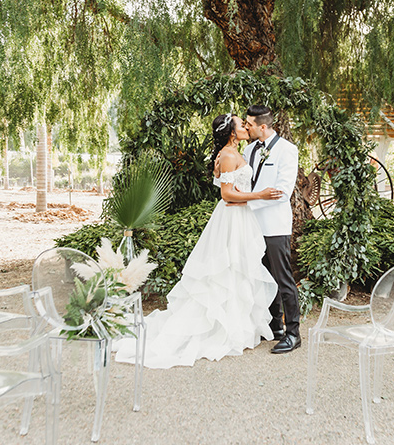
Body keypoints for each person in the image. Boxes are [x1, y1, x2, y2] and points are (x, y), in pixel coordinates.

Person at [114, 113, 281, 369]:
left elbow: (230, 185)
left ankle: (237, 326)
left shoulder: (237, 153)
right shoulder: (227, 155)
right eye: (241, 124)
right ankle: (220, 329)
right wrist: (262, 195)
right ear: (231, 132)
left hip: (242, 218)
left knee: (239, 271)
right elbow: (226, 195)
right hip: (231, 219)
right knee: (226, 271)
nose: (246, 128)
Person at [243, 104, 302, 354]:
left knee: (283, 279)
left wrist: (247, 200)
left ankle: (294, 334)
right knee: (263, 277)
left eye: (250, 124)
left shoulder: (288, 151)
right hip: (252, 226)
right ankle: (275, 325)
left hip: (276, 225)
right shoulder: (248, 150)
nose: (246, 128)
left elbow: (282, 193)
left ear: (263, 127)